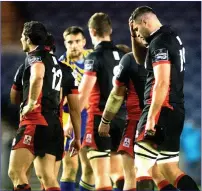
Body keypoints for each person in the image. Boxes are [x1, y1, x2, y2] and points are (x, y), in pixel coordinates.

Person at [130, 6, 199, 191]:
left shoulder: (159, 42)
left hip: (160, 108)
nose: (137, 34)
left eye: (136, 29)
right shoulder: (172, 37)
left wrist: (152, 117)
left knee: (141, 167)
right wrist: (133, 36)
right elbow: (140, 59)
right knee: (167, 168)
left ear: (144, 22)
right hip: (176, 110)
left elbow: (162, 81)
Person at [8, 21, 63, 191]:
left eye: (22, 36)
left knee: (15, 172)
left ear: (27, 38)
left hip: (36, 119)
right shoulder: (54, 60)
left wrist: (31, 102)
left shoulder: (34, 56)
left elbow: (38, 74)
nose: (20, 39)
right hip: (53, 121)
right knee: (48, 177)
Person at [79, 12, 126, 191]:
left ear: (91, 31)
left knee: (101, 177)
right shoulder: (124, 55)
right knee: (117, 174)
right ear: (110, 30)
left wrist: (72, 124)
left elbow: (84, 93)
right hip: (122, 119)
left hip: (100, 120)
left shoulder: (93, 57)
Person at [98, 51, 150, 191]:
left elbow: (116, 95)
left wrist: (104, 121)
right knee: (156, 172)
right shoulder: (162, 58)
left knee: (129, 174)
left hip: (133, 120)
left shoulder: (128, 61)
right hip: (158, 119)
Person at [59, 26, 94, 191]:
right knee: (71, 166)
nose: (74, 45)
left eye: (77, 41)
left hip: (90, 114)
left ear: (84, 42)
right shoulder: (61, 65)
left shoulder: (93, 57)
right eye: (70, 42)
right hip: (69, 116)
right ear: (65, 43)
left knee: (90, 166)